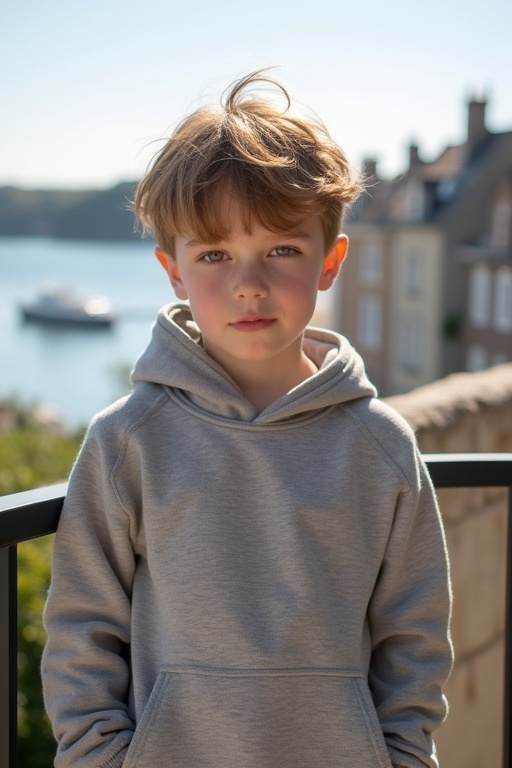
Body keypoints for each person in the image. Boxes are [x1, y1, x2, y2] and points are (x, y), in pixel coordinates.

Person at [42, 69, 452, 768]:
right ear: (173, 272)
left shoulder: (381, 447)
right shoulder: (126, 442)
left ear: (330, 261)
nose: (249, 284)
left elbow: (414, 639)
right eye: (215, 255)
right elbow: (81, 633)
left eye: (282, 250)